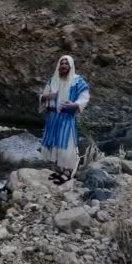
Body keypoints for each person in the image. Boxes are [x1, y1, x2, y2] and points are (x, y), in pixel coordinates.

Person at [39, 55, 90, 185]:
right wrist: (46, 97)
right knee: (56, 143)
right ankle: (60, 169)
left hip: (66, 117)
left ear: (70, 66)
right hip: (52, 117)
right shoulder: (53, 80)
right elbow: (43, 97)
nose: (63, 66)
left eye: (66, 64)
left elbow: (84, 97)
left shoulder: (77, 80)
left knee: (66, 144)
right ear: (58, 65)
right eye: (62, 63)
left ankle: (67, 172)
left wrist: (74, 105)